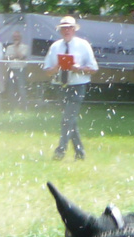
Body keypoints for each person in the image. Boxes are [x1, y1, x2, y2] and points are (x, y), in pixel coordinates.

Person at [44, 16, 97, 160]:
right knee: (70, 120)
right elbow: (47, 70)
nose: (66, 30)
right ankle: (80, 153)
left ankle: (60, 150)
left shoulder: (83, 45)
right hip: (60, 85)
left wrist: (78, 68)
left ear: (74, 29)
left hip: (78, 85)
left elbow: (93, 68)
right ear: (60, 30)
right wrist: (57, 67)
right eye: (64, 28)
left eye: (69, 27)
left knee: (66, 120)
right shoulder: (55, 46)